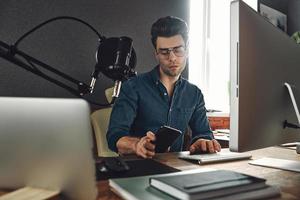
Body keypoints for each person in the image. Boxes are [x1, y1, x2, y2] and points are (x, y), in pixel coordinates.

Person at [107, 16, 221, 158]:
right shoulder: (132, 87)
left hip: (175, 170)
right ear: (156, 54)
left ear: (187, 50)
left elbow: (203, 133)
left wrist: (202, 142)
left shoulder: (194, 93)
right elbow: (114, 136)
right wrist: (137, 145)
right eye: (165, 52)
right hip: (137, 169)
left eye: (178, 50)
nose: (172, 58)